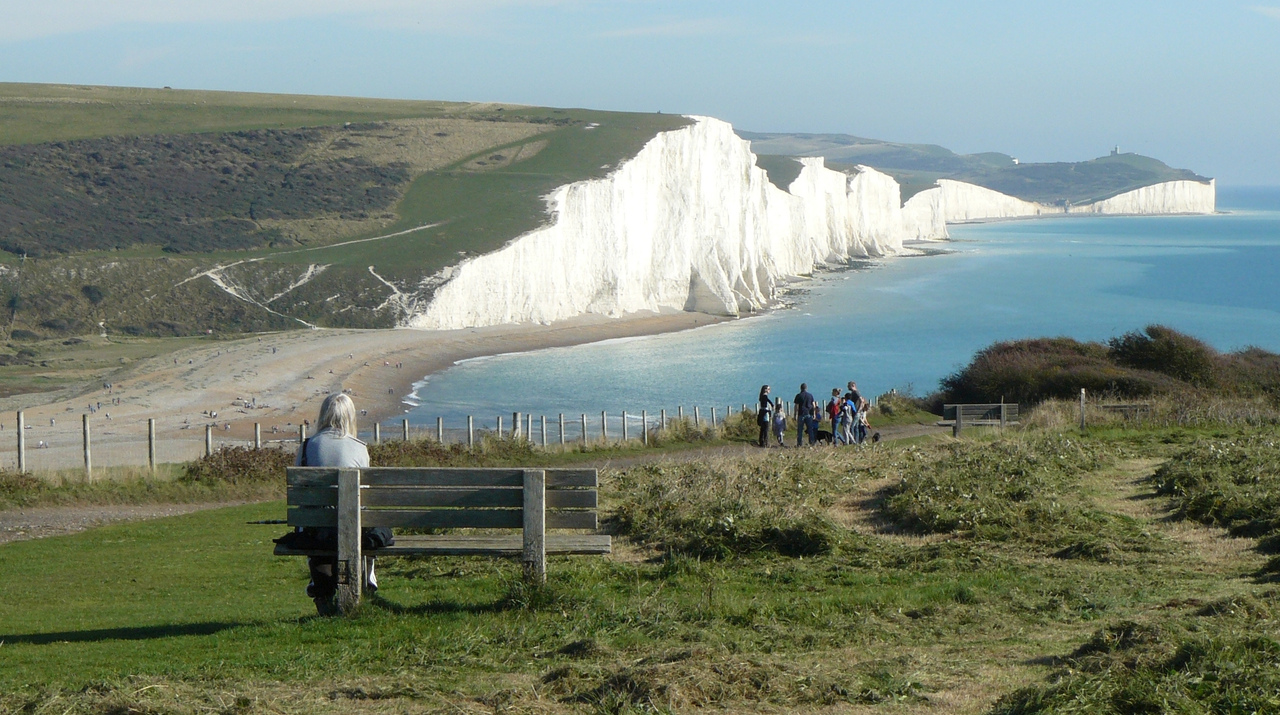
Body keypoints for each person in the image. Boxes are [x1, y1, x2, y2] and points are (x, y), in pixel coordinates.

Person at [292, 393, 386, 615]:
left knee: (317, 530)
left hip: (316, 530)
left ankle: (323, 592)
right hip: (353, 527)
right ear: (350, 417)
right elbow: (365, 495)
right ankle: (364, 576)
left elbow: (300, 491)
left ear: (323, 415)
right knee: (361, 527)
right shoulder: (360, 448)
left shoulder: (307, 447)